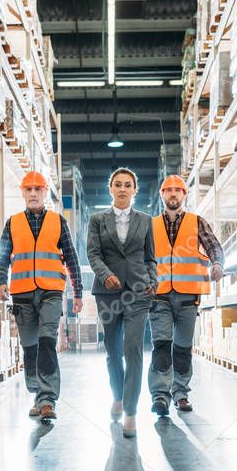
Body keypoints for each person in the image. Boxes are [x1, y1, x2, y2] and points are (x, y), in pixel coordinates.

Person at [0, 171, 83, 421]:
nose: (33, 193)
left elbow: (72, 257)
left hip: (51, 292)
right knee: (30, 347)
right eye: (28, 189)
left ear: (45, 193)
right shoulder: (12, 223)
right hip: (22, 294)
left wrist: (78, 291)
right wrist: (1, 282)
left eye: (38, 189)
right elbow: (2, 256)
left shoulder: (57, 221)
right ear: (22, 193)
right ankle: (37, 391)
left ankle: (47, 399)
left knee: (46, 341)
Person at [86, 168, 157, 437]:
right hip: (108, 293)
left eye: (128, 185)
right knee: (112, 350)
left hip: (139, 292)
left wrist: (152, 280)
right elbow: (93, 253)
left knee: (133, 350)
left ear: (135, 190)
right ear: (111, 189)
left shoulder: (146, 220)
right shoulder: (97, 220)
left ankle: (130, 411)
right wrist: (106, 276)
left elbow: (150, 258)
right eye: (118, 184)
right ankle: (117, 394)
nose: (123, 189)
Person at [148, 175, 225, 416]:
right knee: (161, 345)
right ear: (162, 195)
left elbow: (214, 246)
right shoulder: (150, 226)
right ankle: (160, 395)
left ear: (184, 195)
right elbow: (141, 258)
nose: (173, 194)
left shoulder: (196, 222)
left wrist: (218, 264)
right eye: (168, 190)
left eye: (177, 191)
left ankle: (180, 393)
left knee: (182, 348)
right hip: (158, 296)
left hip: (188, 298)